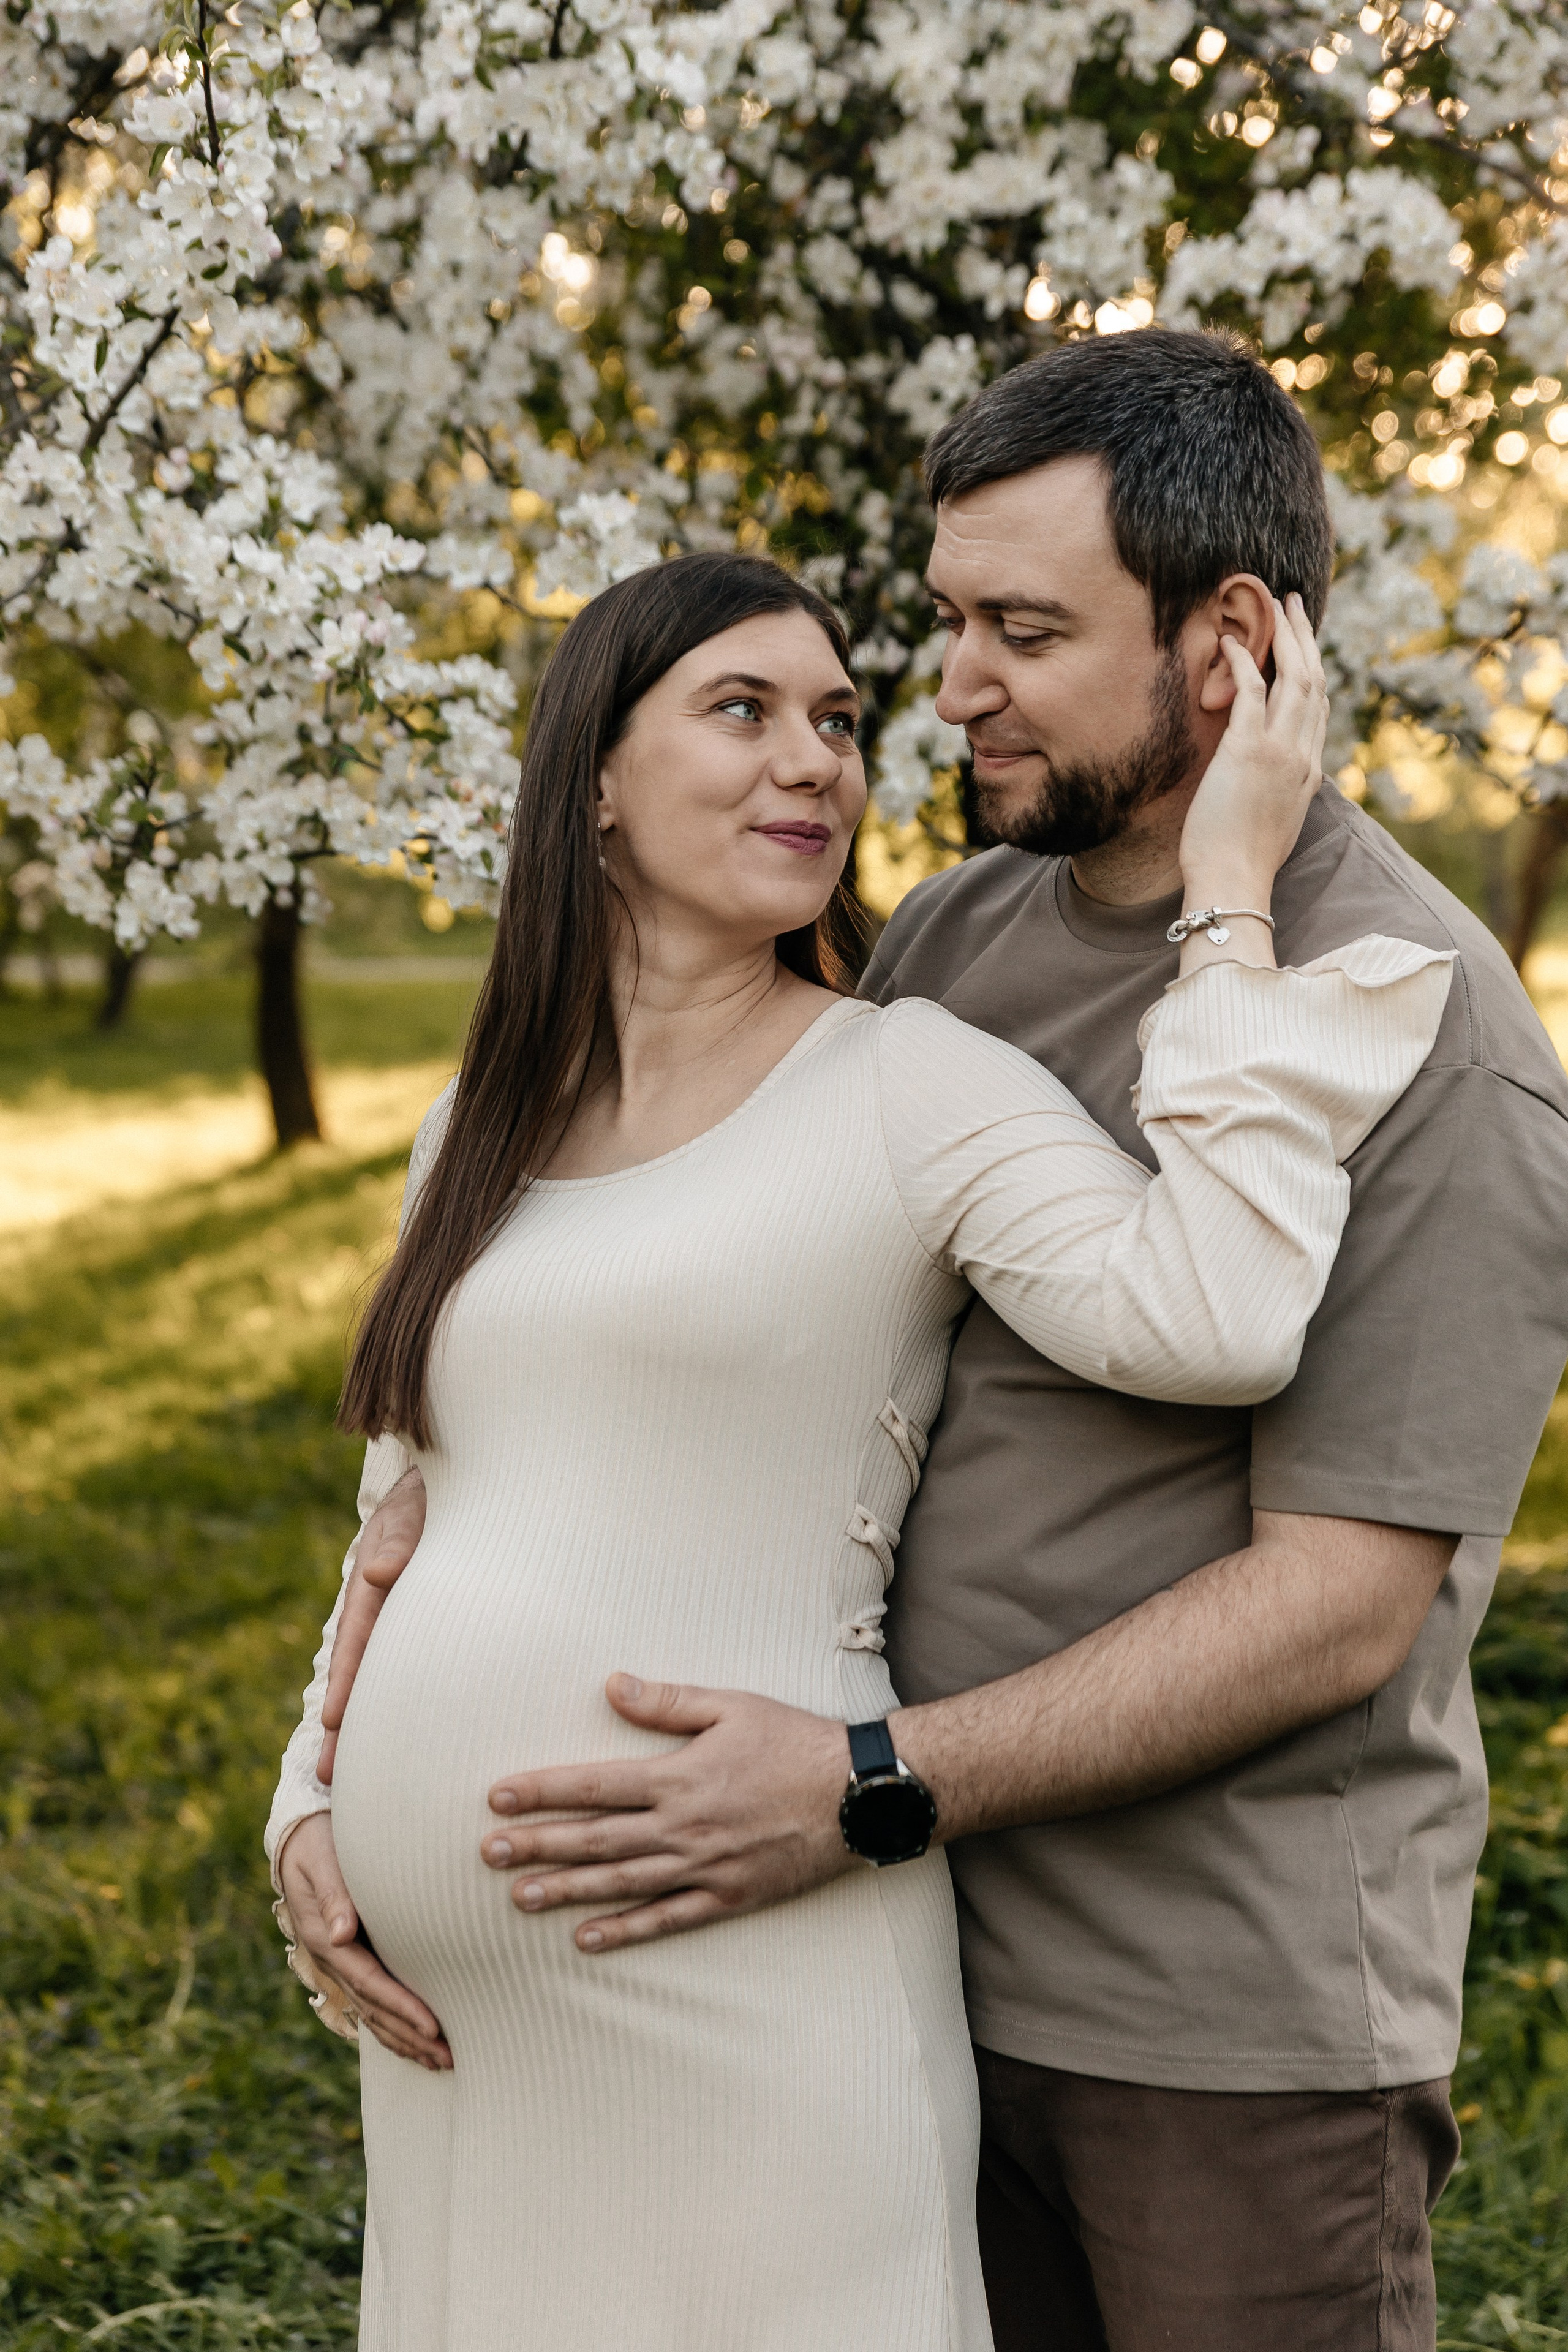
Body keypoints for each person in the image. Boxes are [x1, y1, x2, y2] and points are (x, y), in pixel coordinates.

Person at [311, 332, 1568, 2352]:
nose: (948, 688)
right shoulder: (971, 936)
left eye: (1021, 627)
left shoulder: (1429, 1033)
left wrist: (873, 1782)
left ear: (1231, 644)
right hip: (882, 1939)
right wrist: (331, 1776)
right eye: (946, 622)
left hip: (1205, 2023)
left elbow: (1338, 1606)